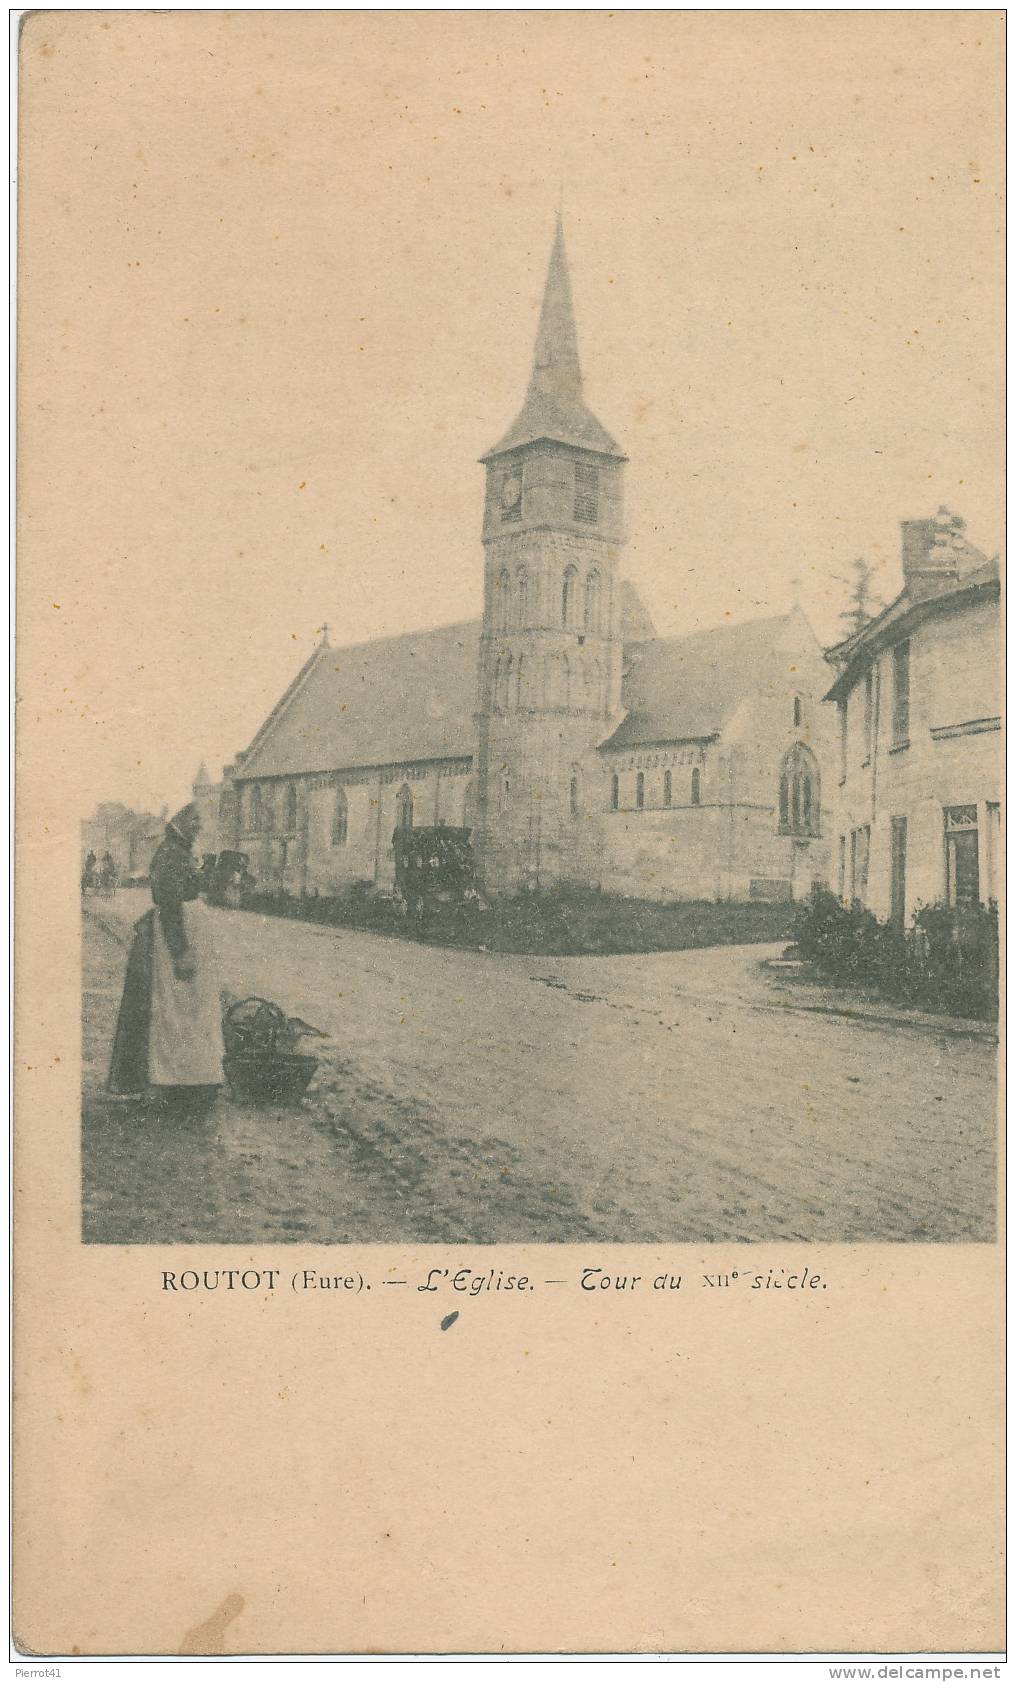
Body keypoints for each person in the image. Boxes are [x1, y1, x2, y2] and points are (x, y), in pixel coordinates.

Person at [107, 802, 223, 1112]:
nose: (200, 825)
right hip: (174, 941)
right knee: (172, 1010)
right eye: (195, 819)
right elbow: (170, 905)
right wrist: (181, 952)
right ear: (181, 821)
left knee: (188, 1010)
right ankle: (173, 1078)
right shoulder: (171, 853)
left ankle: (187, 1077)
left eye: (202, 819)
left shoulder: (181, 851)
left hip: (187, 936)